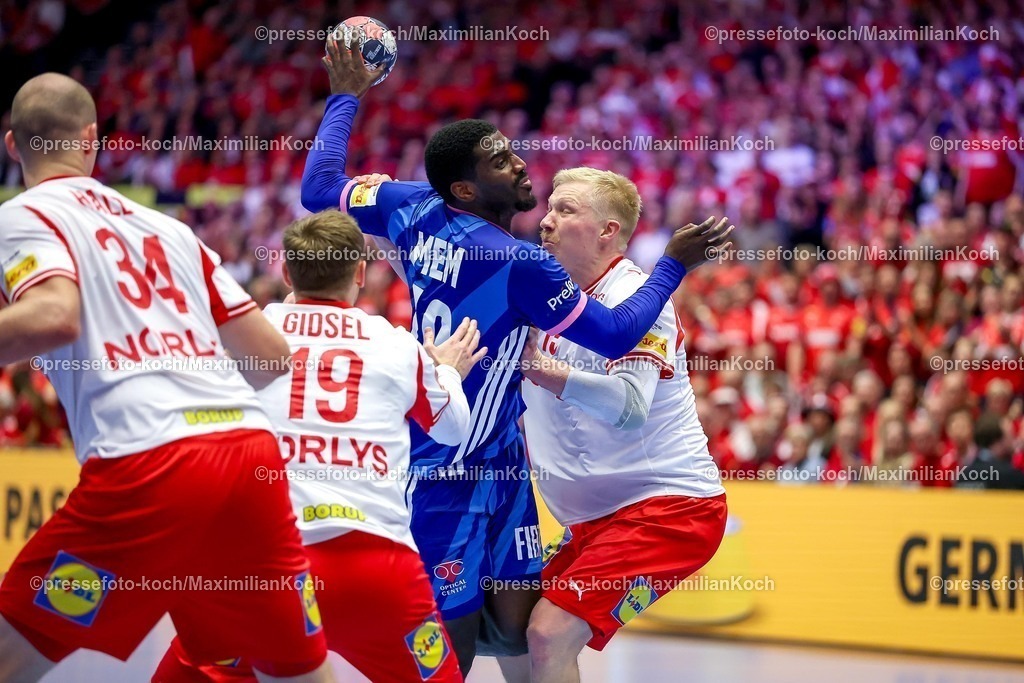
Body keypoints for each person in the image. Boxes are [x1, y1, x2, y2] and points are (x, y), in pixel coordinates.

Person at [300, 38, 734, 678]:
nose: (520, 166)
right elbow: (613, 335)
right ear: (466, 188)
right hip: (445, 464)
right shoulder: (519, 262)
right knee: (458, 649)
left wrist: (346, 98)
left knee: (523, 635)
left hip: (505, 463)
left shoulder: (410, 205)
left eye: (511, 151)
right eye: (501, 162)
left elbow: (318, 189)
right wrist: (674, 265)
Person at [0, 73, 335, 683]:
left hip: (147, 463)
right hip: (246, 456)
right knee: (296, 673)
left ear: (11, 145)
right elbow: (270, 356)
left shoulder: (23, 215)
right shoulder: (169, 228)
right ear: (92, 140)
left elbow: (52, 315)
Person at [154, 210, 480, 682]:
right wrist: (445, 369)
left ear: (286, 273)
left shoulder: (250, 338)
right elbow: (453, 431)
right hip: (377, 569)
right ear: (361, 273)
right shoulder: (395, 346)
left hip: (265, 566)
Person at [519, 168, 728, 682]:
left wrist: (546, 373)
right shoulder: (547, 297)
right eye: (547, 208)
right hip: (592, 519)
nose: (545, 221)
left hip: (669, 507)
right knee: (512, 628)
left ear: (608, 230)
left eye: (565, 210)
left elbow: (630, 406)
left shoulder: (639, 300)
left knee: (548, 633)